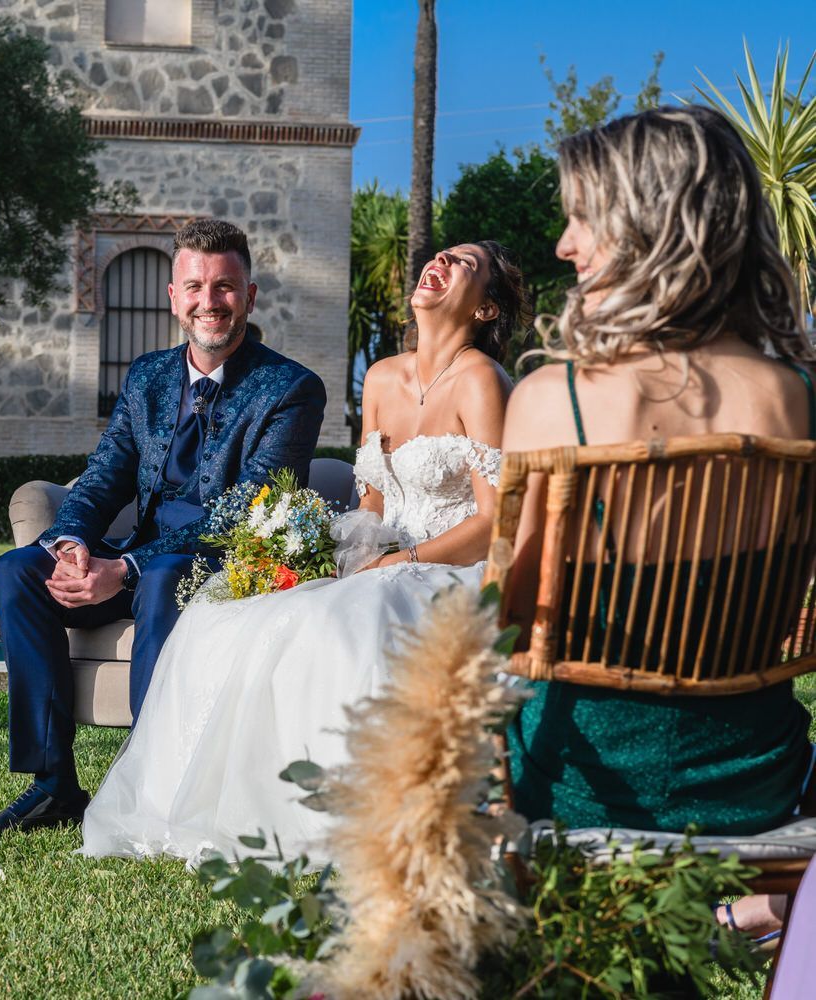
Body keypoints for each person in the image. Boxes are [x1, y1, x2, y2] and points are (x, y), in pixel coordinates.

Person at [81, 239, 529, 861]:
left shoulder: (482, 380)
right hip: (381, 556)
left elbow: (496, 519)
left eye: (465, 265)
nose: (442, 263)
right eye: (440, 255)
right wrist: (331, 554)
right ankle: (195, 803)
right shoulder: (380, 377)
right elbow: (371, 506)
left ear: (484, 310)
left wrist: (398, 565)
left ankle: (345, 818)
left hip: (451, 569)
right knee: (228, 611)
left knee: (333, 622)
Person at [500, 106, 815, 939]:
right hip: (758, 781)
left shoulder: (548, 401)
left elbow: (508, 626)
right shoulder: (801, 402)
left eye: (581, 220)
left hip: (576, 784)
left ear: (648, 228)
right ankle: (735, 913)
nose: (564, 245)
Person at [0, 219, 326, 838]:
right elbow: (103, 477)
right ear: (173, 297)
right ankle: (52, 785)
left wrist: (122, 569)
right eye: (196, 287)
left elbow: (246, 509)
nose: (211, 302)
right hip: (136, 560)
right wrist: (71, 543)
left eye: (226, 287)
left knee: (165, 577)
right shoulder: (148, 376)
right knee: (20, 570)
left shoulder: (290, 389)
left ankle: (153, 787)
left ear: (249, 297)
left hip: (220, 566)